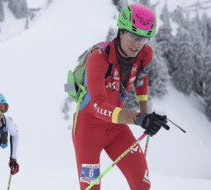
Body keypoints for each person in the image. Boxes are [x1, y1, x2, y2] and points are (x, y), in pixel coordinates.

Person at [72, 4, 169, 190]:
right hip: (88, 132)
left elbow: (141, 80)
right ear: (120, 31)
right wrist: (139, 119)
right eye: (133, 35)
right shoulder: (98, 58)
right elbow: (98, 106)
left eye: (144, 37)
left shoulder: (145, 54)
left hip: (117, 129)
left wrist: (145, 115)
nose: (138, 44)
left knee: (142, 185)